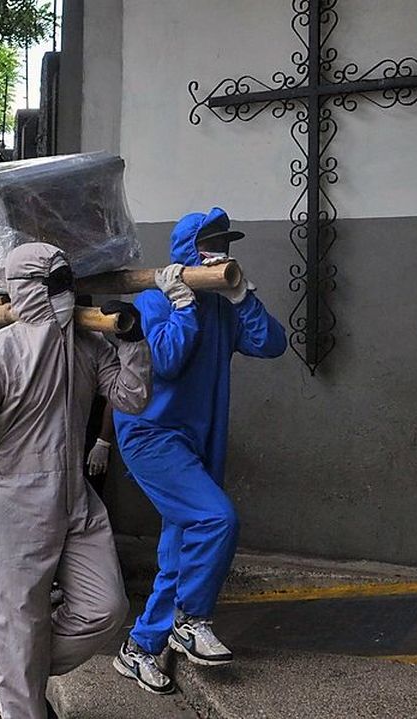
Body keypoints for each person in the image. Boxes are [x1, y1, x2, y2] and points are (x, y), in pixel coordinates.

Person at [0, 243, 151, 719]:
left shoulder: (89, 345)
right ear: (26, 290)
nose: (65, 295)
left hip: (75, 499)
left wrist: (134, 343)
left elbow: (132, 398)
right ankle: (21, 696)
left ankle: (22, 674)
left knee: (107, 611)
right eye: (54, 284)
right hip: (12, 501)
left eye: (69, 282)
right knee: (18, 624)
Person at [112, 207, 286, 694]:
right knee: (216, 520)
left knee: (180, 550)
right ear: (190, 252)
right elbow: (165, 362)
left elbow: (271, 344)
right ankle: (190, 621)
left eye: (226, 246)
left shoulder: (224, 307)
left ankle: (140, 649)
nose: (221, 254)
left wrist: (242, 296)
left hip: (198, 437)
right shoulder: (153, 300)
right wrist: (182, 306)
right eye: (211, 246)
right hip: (152, 436)